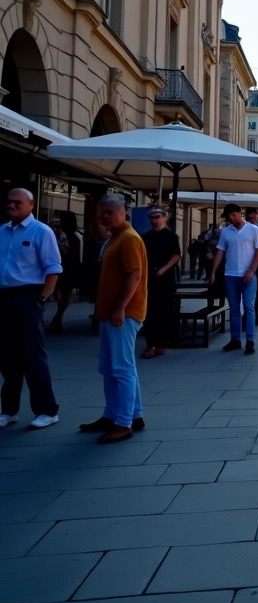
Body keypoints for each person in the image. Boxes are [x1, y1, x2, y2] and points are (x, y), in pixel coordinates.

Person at [77, 194, 148, 444]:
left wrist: (120, 308)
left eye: (108, 212)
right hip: (112, 312)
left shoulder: (128, 239)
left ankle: (122, 422)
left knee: (120, 368)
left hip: (123, 314)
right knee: (112, 367)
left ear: (122, 212)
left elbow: (134, 275)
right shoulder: (115, 238)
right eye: (100, 213)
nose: (103, 217)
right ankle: (125, 415)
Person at [0, 188, 62, 430]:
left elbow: (53, 268)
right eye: (9, 202)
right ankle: (9, 410)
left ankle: (47, 410)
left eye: (17, 202)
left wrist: (42, 298)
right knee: (6, 356)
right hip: (5, 296)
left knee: (32, 354)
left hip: (29, 296)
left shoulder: (41, 232)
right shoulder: (3, 231)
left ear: (31, 205)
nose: (12, 206)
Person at [209, 203, 258, 354]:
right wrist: (213, 271)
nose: (232, 219)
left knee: (248, 306)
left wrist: (252, 270)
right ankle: (235, 340)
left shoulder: (253, 230)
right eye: (229, 217)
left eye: (234, 215)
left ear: (240, 213)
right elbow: (220, 252)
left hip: (249, 275)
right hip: (231, 275)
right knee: (234, 309)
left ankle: (250, 340)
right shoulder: (226, 232)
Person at [140, 207, 181, 359]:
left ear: (165, 218)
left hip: (166, 279)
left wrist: (163, 269)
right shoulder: (146, 237)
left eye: (157, 217)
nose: (154, 220)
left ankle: (161, 343)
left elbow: (176, 255)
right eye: (151, 217)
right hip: (150, 279)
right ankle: (151, 344)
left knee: (165, 311)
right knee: (150, 312)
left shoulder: (171, 236)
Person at [47, 212, 81, 333]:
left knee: (63, 295)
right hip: (67, 269)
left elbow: (69, 253)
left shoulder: (68, 236)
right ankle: (57, 319)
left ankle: (57, 319)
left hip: (66, 269)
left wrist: (60, 247)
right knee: (63, 295)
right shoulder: (73, 236)